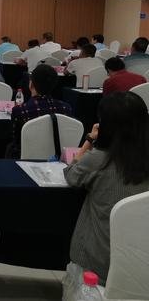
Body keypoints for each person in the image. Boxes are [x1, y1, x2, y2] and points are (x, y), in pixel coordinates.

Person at [65, 91, 149, 284]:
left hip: (97, 262)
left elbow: (71, 175)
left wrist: (89, 140)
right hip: (141, 261)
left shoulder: (99, 159)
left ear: (106, 126)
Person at [8, 65, 73, 158]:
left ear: (31, 84)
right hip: (58, 158)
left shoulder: (20, 110)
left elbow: (15, 139)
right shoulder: (66, 108)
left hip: (27, 159)